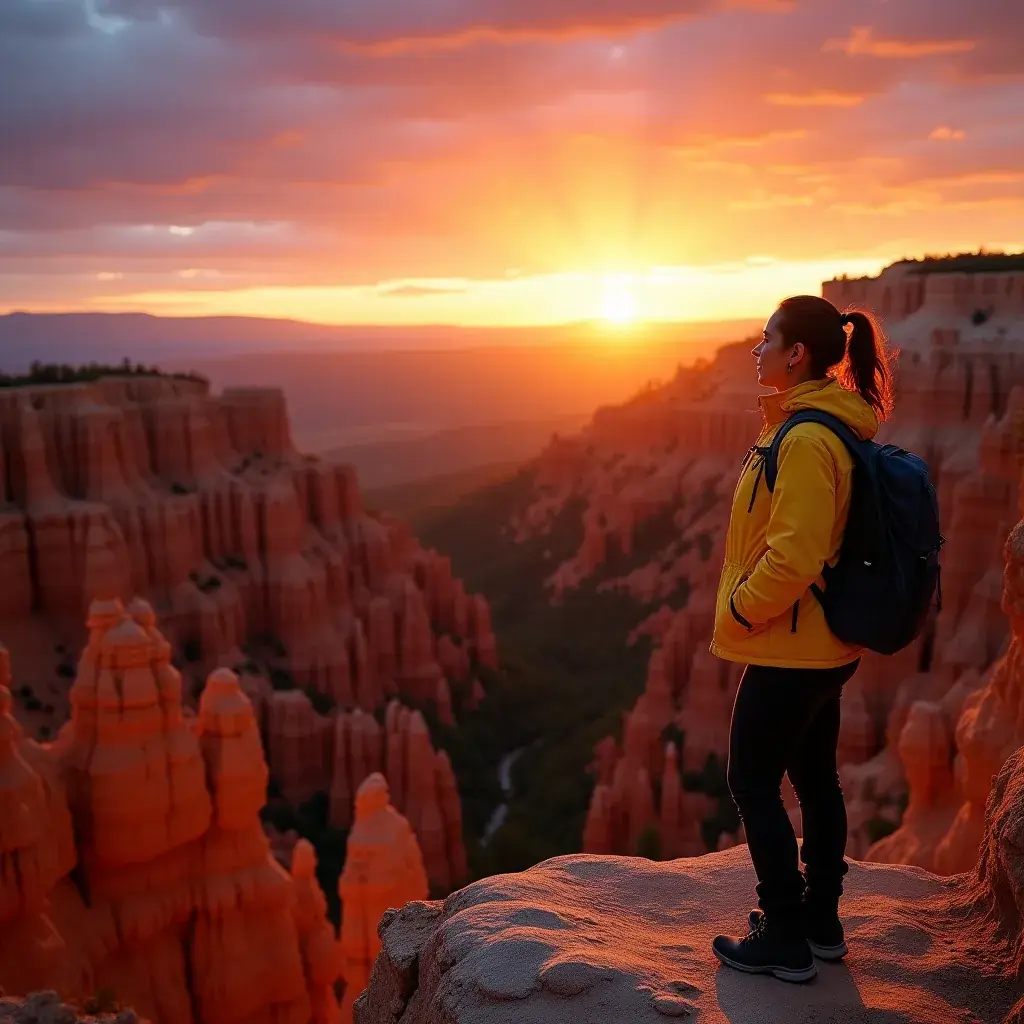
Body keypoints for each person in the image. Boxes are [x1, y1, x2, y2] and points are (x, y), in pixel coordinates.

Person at [709, 294, 894, 983]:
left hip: (791, 645)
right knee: (815, 780)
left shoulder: (810, 438)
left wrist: (743, 607)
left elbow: (796, 554)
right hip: (819, 644)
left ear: (798, 354)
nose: (756, 350)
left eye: (767, 339)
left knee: (751, 783)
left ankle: (785, 932)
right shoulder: (816, 427)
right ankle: (820, 922)